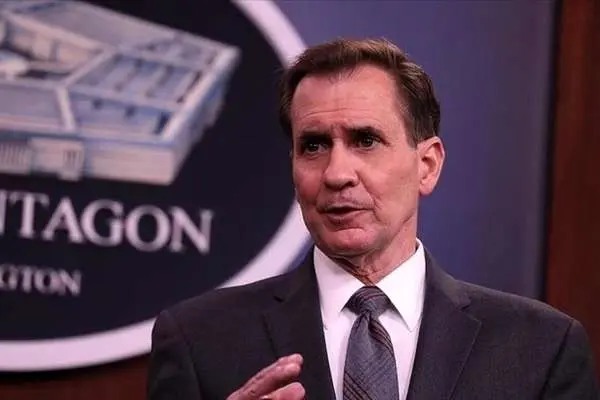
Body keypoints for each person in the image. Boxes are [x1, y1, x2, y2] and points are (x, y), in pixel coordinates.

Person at [147, 38, 599, 399]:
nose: (337, 173)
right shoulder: (199, 340)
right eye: (314, 146)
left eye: (365, 140)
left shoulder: (542, 347)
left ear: (427, 165)